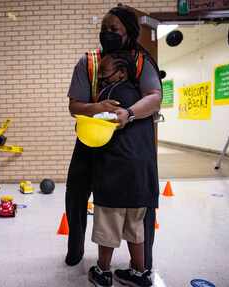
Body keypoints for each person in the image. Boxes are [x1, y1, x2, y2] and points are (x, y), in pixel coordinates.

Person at [65, 3, 161, 275]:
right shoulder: (89, 62)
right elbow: (75, 106)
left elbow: (154, 98)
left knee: (140, 204)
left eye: (113, 29)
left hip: (132, 145)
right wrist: (99, 107)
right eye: (103, 28)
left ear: (129, 33)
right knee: (76, 196)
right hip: (92, 140)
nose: (106, 33)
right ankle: (75, 251)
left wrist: (128, 114)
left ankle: (141, 265)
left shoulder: (142, 61)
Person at [88, 51, 154, 287]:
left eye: (105, 73)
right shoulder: (141, 97)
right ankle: (139, 273)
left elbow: (95, 127)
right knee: (135, 225)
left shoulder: (110, 94)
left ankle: (103, 272)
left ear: (122, 72)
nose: (102, 78)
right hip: (140, 172)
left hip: (114, 169)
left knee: (108, 222)